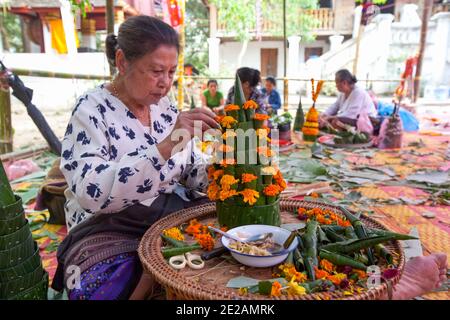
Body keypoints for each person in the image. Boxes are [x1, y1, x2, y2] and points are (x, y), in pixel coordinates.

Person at [52, 16, 219, 300]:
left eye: (171, 72)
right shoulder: (91, 111)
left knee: (226, 246)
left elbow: (189, 173)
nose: (165, 83)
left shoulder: (165, 108)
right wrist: (165, 146)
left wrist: (222, 169)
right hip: (108, 227)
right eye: (156, 71)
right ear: (122, 61)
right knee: (100, 285)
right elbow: (91, 192)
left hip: (168, 215)